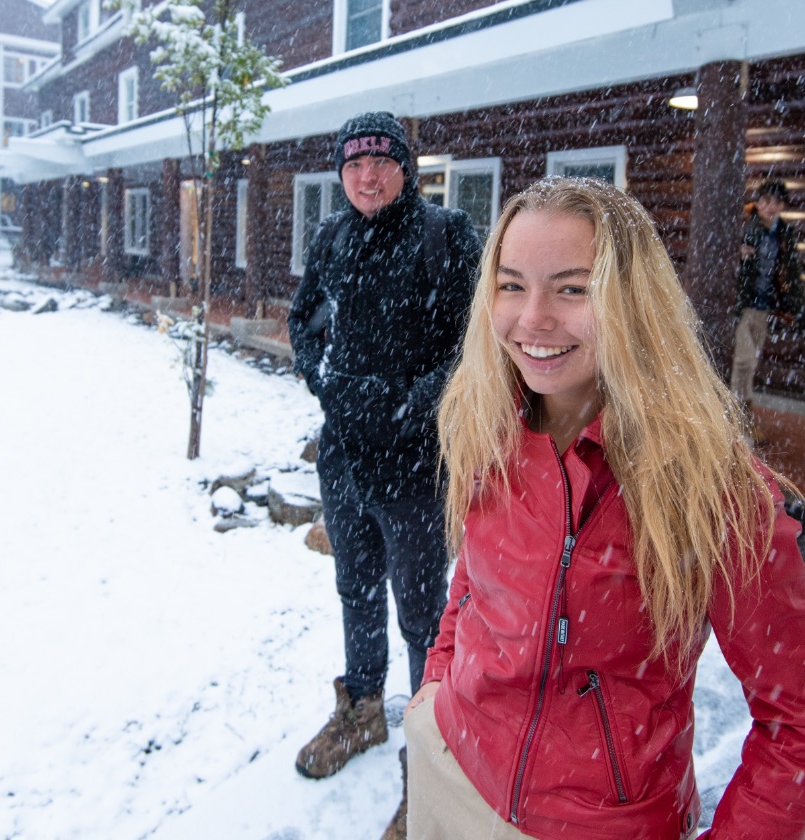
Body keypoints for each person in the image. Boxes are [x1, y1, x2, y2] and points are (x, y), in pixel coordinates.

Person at [406, 176, 805, 840]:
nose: (533, 318)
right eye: (511, 285)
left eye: (572, 288)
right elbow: (473, 581)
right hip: (451, 773)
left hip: (604, 825)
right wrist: (437, 682)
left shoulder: (712, 486)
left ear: (632, 300)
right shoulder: (489, 422)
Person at [287, 111, 481, 838]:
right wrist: (324, 381)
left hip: (414, 463)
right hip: (343, 457)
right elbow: (305, 322)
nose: (366, 176)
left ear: (406, 167)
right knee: (356, 587)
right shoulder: (331, 238)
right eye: (353, 164)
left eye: (381, 162)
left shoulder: (444, 235)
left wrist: (407, 403)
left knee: (425, 616)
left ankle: (429, 763)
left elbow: (474, 344)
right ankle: (363, 709)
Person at [729, 178, 805, 442]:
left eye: (777, 202)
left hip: (763, 307)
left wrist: (796, 307)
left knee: (750, 363)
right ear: (758, 202)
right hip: (742, 306)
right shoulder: (746, 226)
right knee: (743, 361)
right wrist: (737, 254)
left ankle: (743, 417)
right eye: (766, 201)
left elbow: (791, 271)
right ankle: (737, 420)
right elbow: (722, 257)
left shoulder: (783, 233)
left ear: (783, 205)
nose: (771, 207)